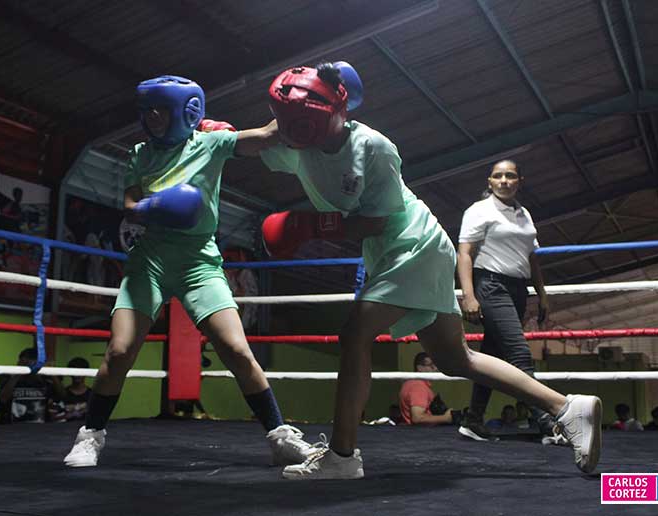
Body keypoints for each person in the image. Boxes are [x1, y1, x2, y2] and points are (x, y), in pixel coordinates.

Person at [256, 62, 602, 480]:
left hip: (413, 245)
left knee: (355, 334)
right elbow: (248, 141)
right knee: (456, 358)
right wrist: (207, 135)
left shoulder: (372, 147)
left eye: (300, 118)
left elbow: (376, 223)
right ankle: (566, 407)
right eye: (286, 119)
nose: (292, 127)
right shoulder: (294, 142)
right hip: (398, 252)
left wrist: (310, 225)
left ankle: (342, 457)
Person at [63, 75, 314, 468]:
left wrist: (304, 104)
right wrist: (157, 207)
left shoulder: (210, 143)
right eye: (147, 110)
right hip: (150, 260)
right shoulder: (140, 153)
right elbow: (130, 205)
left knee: (237, 350)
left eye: (160, 110)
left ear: (186, 112)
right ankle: (90, 436)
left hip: (199, 261)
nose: (151, 117)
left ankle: (280, 437)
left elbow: (266, 136)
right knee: (120, 350)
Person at [456, 159, 555, 441]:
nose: (503, 181)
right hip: (491, 285)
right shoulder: (479, 210)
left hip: (518, 288)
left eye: (510, 176)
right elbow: (464, 254)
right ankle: (548, 422)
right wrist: (468, 295)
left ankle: (473, 420)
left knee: (492, 354)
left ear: (519, 181)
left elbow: (531, 257)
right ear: (489, 181)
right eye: (497, 176)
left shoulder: (524, 214)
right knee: (519, 353)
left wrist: (542, 294)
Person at [0, 347, 64, 424]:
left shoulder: (45, 380)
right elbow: (3, 399)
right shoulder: (9, 377)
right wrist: (20, 371)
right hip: (13, 425)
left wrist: (50, 372)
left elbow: (62, 395)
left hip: (39, 425)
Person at [398, 352, 457, 425]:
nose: (435, 368)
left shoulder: (411, 383)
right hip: (421, 431)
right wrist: (445, 418)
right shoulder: (418, 387)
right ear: (420, 368)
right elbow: (417, 418)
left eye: (436, 365)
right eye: (431, 365)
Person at [63, 357, 92, 422]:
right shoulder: (63, 393)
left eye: (80, 372)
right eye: (74, 372)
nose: (77, 375)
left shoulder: (92, 394)